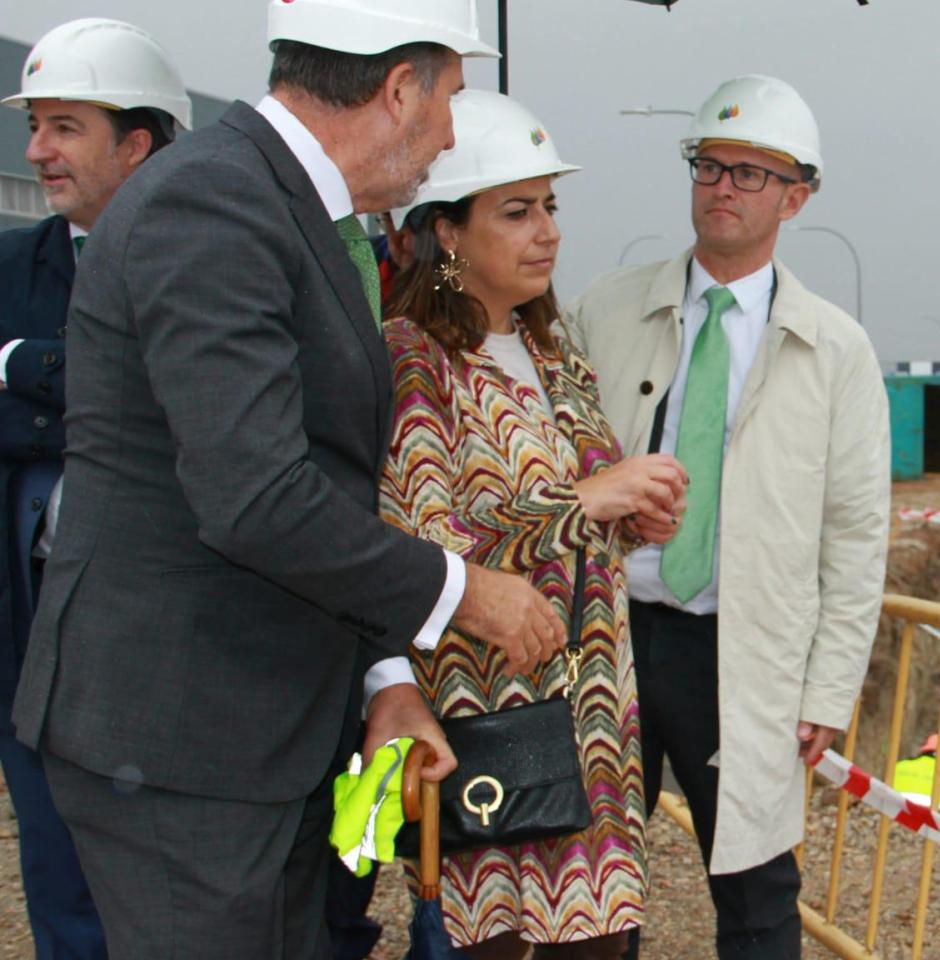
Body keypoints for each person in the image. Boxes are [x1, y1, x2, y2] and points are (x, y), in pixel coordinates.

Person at [11, 3, 571, 956]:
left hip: (263, 735)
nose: (446, 137)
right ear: (400, 89)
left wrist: (387, 677)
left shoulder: (285, 206)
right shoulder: (216, 206)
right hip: (182, 744)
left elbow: (324, 477)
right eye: (451, 100)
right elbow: (258, 498)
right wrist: (462, 591)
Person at [569, 74, 890, 959]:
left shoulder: (836, 351)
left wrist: (829, 688)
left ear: (798, 196)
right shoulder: (605, 309)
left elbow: (857, 536)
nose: (723, 188)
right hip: (610, 639)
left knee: (755, 894)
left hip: (741, 653)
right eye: (710, 165)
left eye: (752, 174)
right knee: (590, 886)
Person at [381, 90, 683, 960]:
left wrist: (638, 516)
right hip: (488, 728)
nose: (546, 229)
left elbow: (592, 518)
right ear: (447, 231)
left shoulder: (557, 353)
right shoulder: (413, 358)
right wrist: (592, 501)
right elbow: (420, 549)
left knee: (601, 945)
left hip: (594, 727)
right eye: (516, 211)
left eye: (550, 206)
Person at [0, 18, 192, 959]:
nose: (37, 150)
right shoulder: (12, 266)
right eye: (36, 125)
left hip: (174, 648)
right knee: (62, 884)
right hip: (34, 637)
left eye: (64, 126)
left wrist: (21, 369)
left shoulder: (206, 262)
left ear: (138, 142)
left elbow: (180, 412)